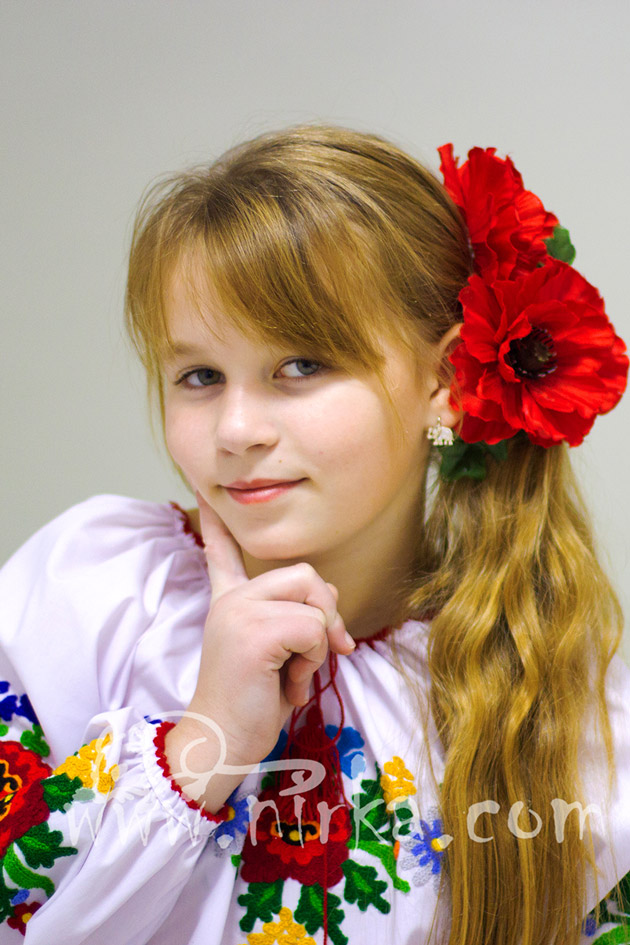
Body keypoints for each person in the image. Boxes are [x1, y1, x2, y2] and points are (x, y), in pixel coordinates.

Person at [0, 124, 628, 945]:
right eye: (200, 375)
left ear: (446, 379)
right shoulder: (91, 595)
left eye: (301, 365)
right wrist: (201, 747)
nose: (237, 429)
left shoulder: (567, 705)